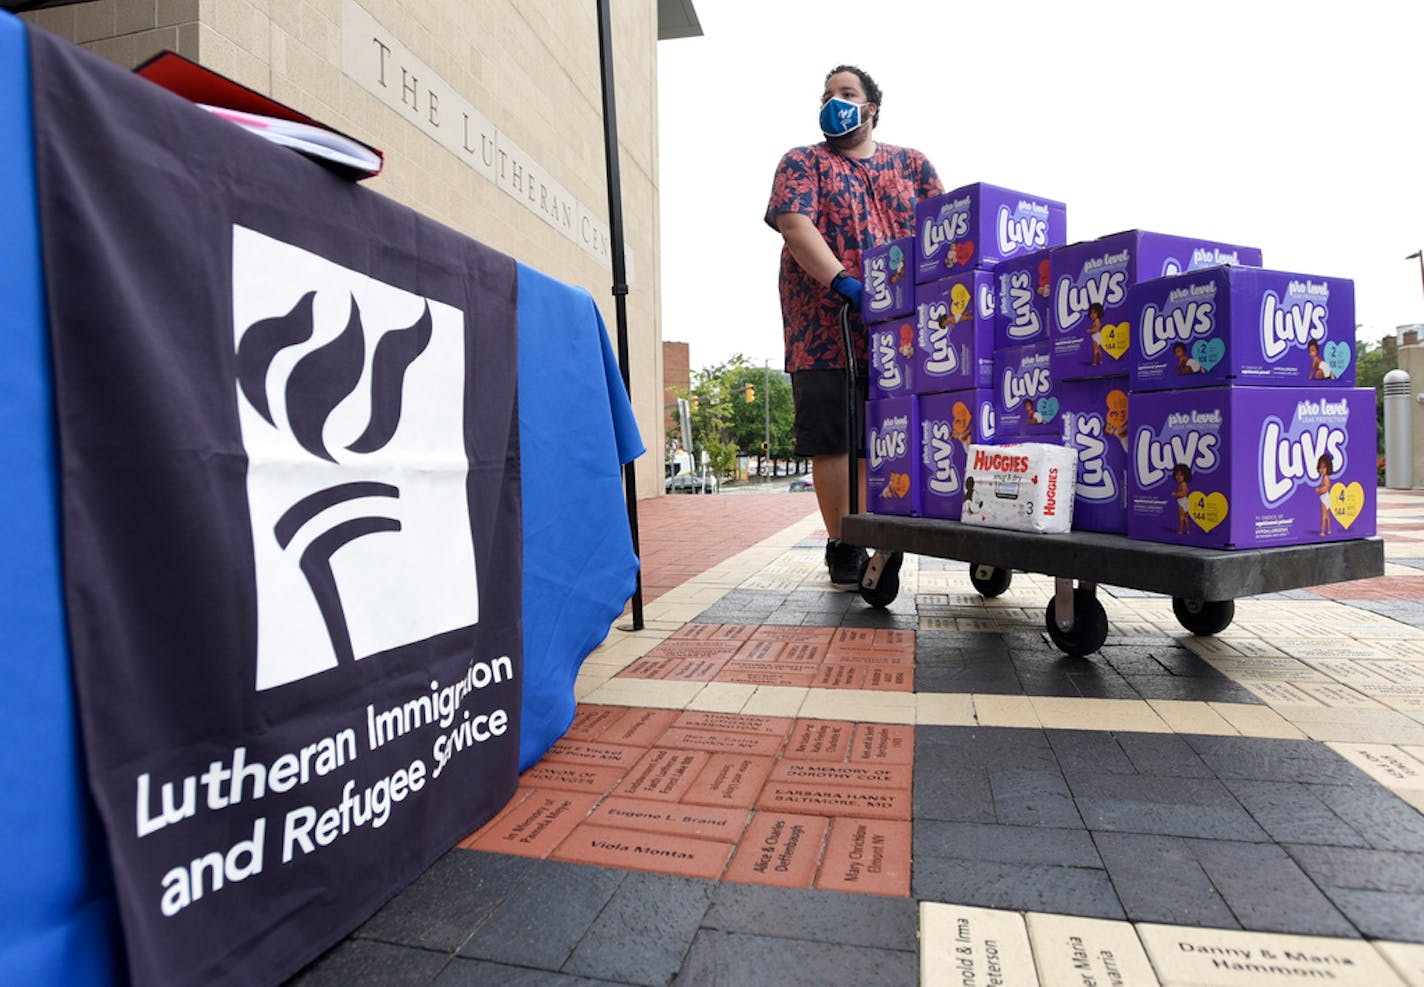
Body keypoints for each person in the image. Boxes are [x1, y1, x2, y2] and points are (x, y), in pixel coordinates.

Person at [765, 64, 943, 586]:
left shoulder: (912, 165)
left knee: (882, 436)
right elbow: (795, 225)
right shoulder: (803, 162)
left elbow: (947, 227)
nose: (833, 102)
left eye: (847, 93)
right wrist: (844, 281)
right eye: (826, 94)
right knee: (835, 437)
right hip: (825, 324)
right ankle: (844, 539)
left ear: (872, 108)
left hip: (902, 329)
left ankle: (881, 528)